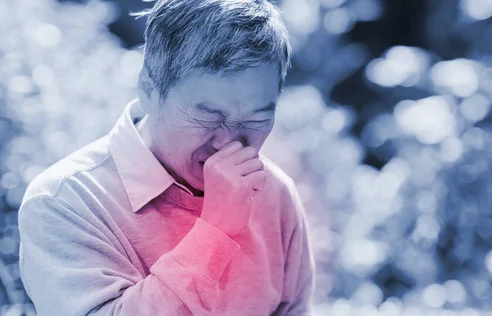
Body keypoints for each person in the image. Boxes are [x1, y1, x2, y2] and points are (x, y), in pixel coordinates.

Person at [17, 0, 316, 315]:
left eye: (254, 119)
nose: (227, 142)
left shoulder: (275, 193)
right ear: (149, 87)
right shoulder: (65, 202)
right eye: (208, 115)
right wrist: (214, 233)